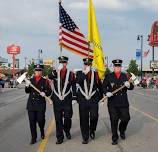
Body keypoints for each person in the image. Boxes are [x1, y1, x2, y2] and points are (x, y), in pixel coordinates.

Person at [103, 59, 134, 145]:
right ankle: (114, 137)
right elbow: (103, 87)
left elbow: (131, 87)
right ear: (113, 67)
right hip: (112, 102)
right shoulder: (109, 76)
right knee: (114, 120)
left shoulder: (125, 76)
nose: (117, 67)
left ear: (121, 67)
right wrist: (106, 92)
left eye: (119, 66)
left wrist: (129, 85)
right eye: (116, 66)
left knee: (126, 118)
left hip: (123, 102)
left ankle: (122, 130)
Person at [48, 56, 76, 144]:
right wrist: (55, 71)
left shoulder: (71, 74)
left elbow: (74, 85)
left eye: (64, 63)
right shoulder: (55, 72)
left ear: (66, 63)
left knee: (68, 117)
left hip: (67, 99)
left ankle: (67, 130)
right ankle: (59, 137)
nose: (62, 64)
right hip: (57, 99)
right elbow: (49, 77)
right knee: (58, 119)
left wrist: (74, 96)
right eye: (61, 63)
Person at [76, 58, 103, 144]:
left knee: (94, 116)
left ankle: (92, 130)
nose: (87, 66)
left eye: (89, 64)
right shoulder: (80, 73)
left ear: (91, 65)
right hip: (83, 99)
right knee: (83, 119)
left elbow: (100, 86)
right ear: (84, 65)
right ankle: (85, 137)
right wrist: (85, 73)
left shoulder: (96, 74)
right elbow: (78, 81)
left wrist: (101, 98)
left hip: (93, 99)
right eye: (86, 64)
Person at [25, 64, 52, 145]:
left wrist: (45, 93)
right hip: (31, 104)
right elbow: (27, 91)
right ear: (34, 71)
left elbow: (49, 91)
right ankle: (34, 137)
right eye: (36, 70)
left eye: (39, 70)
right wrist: (27, 85)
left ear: (41, 71)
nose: (38, 72)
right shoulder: (30, 80)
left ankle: (42, 130)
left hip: (40, 104)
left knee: (40, 120)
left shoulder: (45, 81)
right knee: (32, 122)